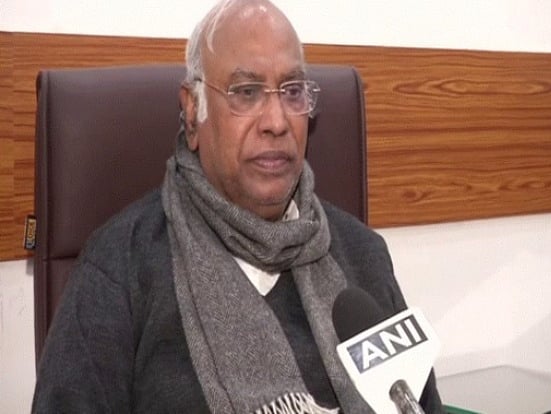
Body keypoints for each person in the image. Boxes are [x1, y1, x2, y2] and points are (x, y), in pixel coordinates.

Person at [31, 1, 444, 413]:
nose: (276, 122)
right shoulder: (118, 270)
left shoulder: (363, 256)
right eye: (246, 93)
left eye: (293, 91)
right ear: (192, 111)